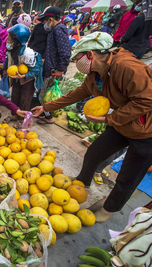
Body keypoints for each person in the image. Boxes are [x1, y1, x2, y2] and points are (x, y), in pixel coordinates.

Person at [32, 32, 152, 223]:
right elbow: (77, 94)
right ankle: (82, 182)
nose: (76, 62)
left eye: (78, 58)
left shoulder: (126, 67)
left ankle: (108, 210)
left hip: (145, 130)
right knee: (95, 153)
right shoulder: (95, 75)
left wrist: (110, 118)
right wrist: (46, 107)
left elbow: (147, 100)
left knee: (128, 176)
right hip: (120, 123)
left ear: (90, 55)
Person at [0, 24, 43, 117]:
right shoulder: (11, 50)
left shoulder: (27, 54)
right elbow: (8, 61)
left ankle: (22, 119)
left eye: (9, 39)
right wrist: (2, 66)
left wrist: (24, 76)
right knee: (15, 96)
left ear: (17, 41)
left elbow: (36, 70)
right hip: (17, 76)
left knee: (24, 100)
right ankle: (14, 115)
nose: (7, 41)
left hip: (28, 79)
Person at [37, 6, 71, 124]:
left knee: (46, 95)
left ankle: (48, 117)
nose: (44, 24)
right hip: (50, 68)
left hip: (54, 70)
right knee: (45, 93)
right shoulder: (54, 30)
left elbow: (65, 52)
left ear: (51, 20)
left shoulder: (58, 30)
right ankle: (45, 114)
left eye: (45, 21)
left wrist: (60, 69)